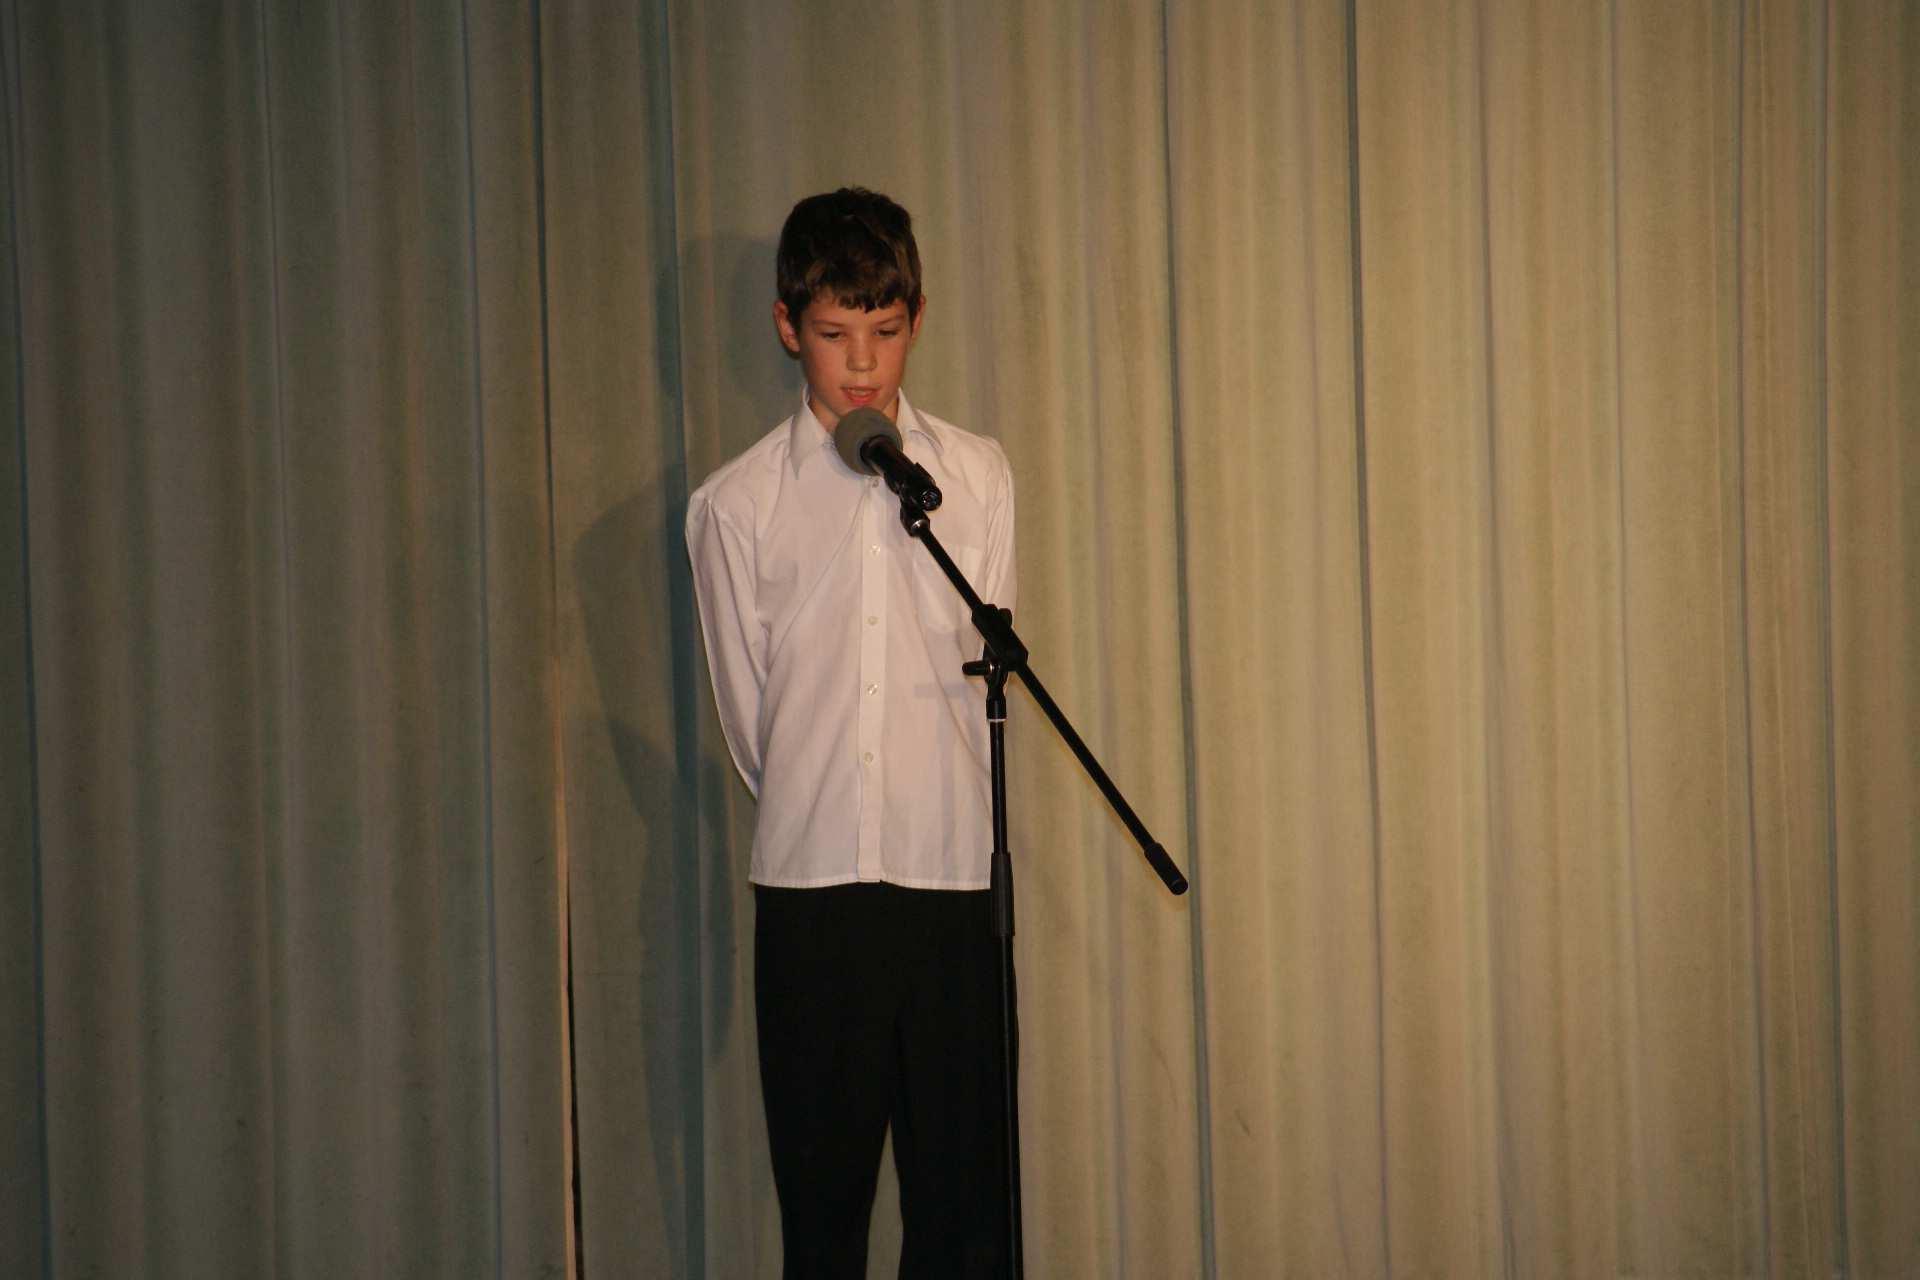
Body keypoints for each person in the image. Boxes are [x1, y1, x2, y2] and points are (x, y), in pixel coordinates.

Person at [685, 188, 1017, 1279]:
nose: (861, 363)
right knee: (823, 1225)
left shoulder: (976, 475)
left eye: (884, 329)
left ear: (917, 319)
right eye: (834, 333)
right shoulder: (735, 505)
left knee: (965, 1224)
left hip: (953, 885)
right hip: (814, 897)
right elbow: (754, 723)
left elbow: (983, 665)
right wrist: (828, 798)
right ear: (789, 327)